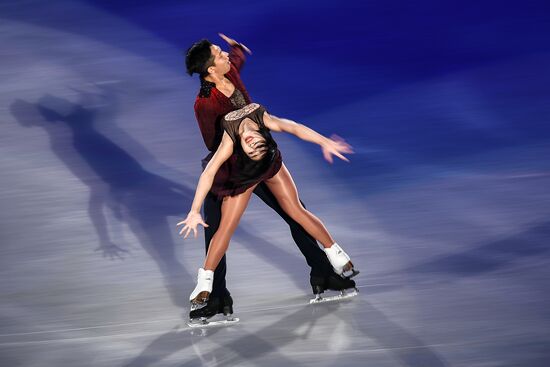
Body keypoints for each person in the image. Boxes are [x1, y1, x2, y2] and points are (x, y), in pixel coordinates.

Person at [184, 34, 355, 318]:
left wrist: (237, 50)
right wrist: (238, 150)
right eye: (220, 53)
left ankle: (323, 274)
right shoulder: (204, 104)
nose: (225, 54)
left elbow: (285, 123)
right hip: (231, 167)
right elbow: (212, 145)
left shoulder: (230, 74)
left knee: (296, 213)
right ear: (210, 70)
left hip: (262, 158)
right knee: (216, 230)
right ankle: (215, 298)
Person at [178, 102, 358, 307]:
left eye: (253, 147)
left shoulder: (246, 131)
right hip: (244, 174)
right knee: (225, 228)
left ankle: (335, 254)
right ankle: (205, 282)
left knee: (296, 210)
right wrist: (194, 210)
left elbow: (293, 127)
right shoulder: (250, 123)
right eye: (253, 146)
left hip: (269, 166)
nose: (251, 142)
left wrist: (324, 142)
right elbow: (209, 172)